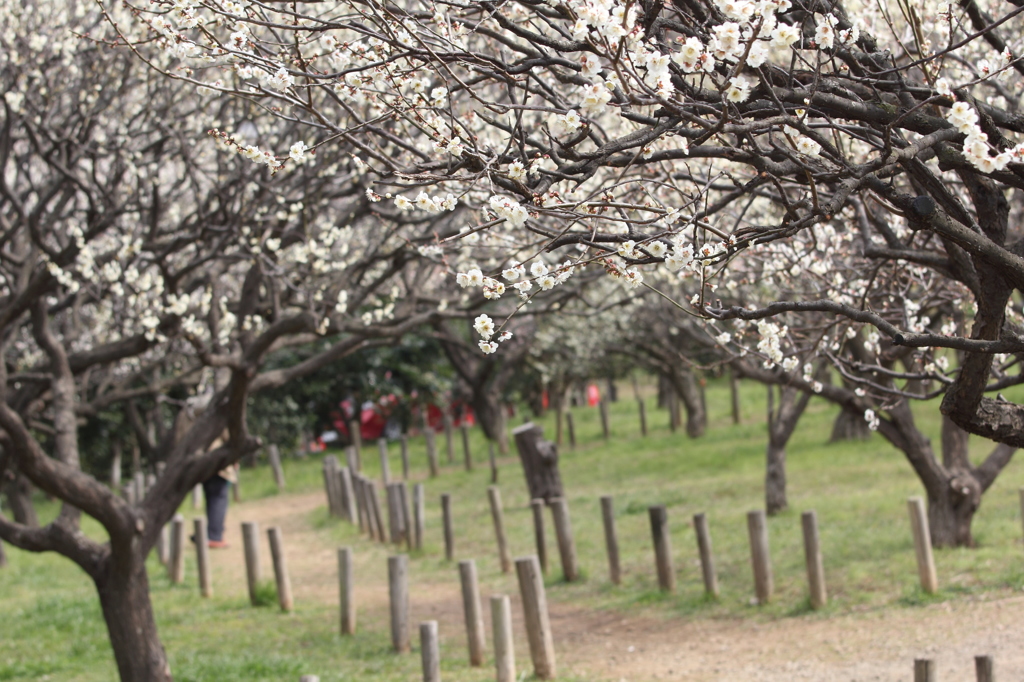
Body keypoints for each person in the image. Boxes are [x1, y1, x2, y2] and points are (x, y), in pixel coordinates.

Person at [202, 431, 236, 549]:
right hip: (219, 462)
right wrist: (235, 457)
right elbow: (230, 436)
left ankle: (211, 533)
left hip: (203, 462)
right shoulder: (218, 415)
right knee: (218, 499)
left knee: (212, 499)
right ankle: (215, 537)